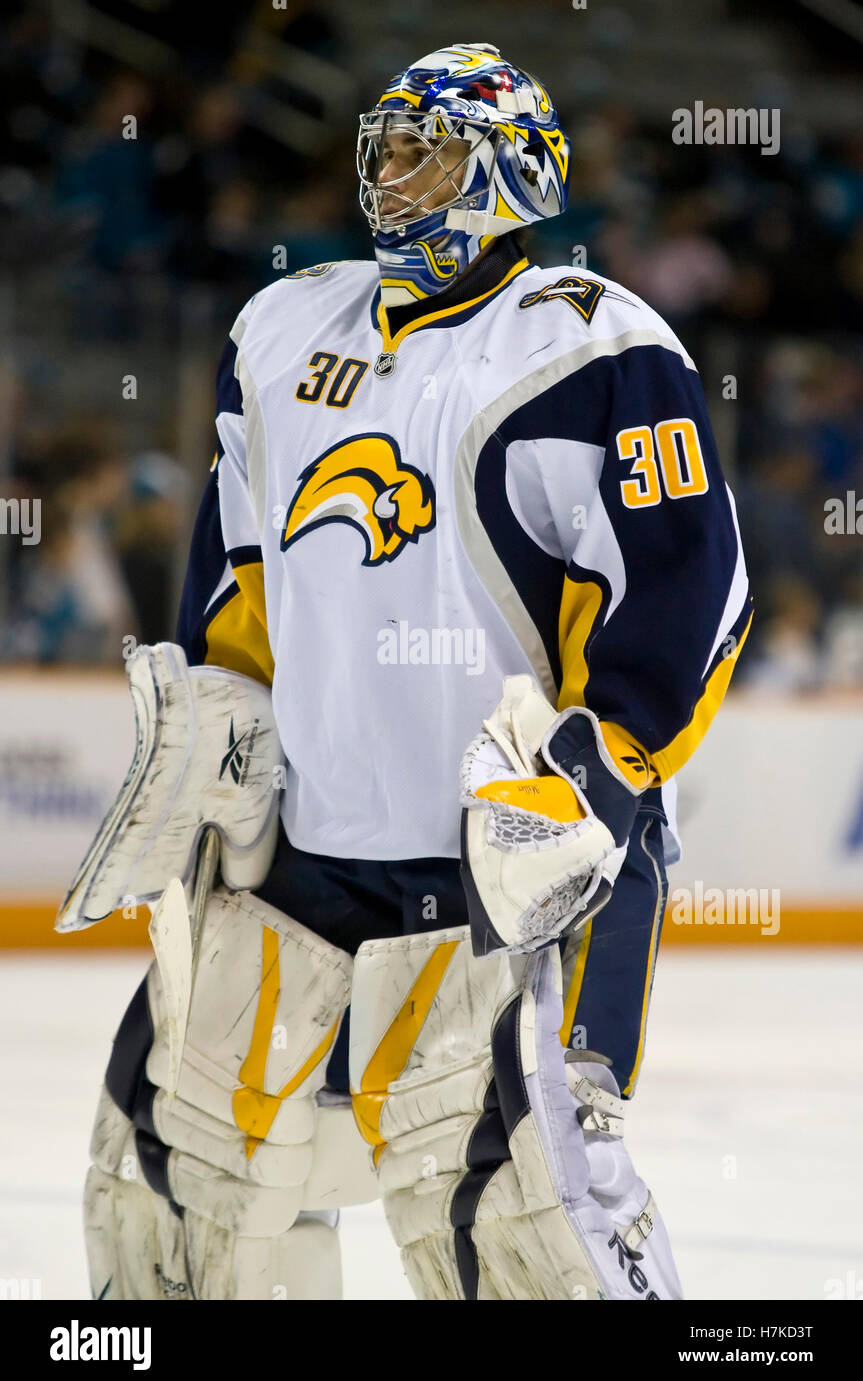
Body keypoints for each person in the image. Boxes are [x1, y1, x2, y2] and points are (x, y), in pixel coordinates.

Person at [62, 43, 752, 1300]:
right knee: (193, 1204)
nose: (390, 176)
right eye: (382, 148)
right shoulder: (282, 326)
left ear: (507, 173)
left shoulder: (591, 348)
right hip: (306, 857)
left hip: (500, 865)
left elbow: (692, 583)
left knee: (515, 1224)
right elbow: (238, 561)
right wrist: (221, 730)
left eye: (424, 149)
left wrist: (605, 764)